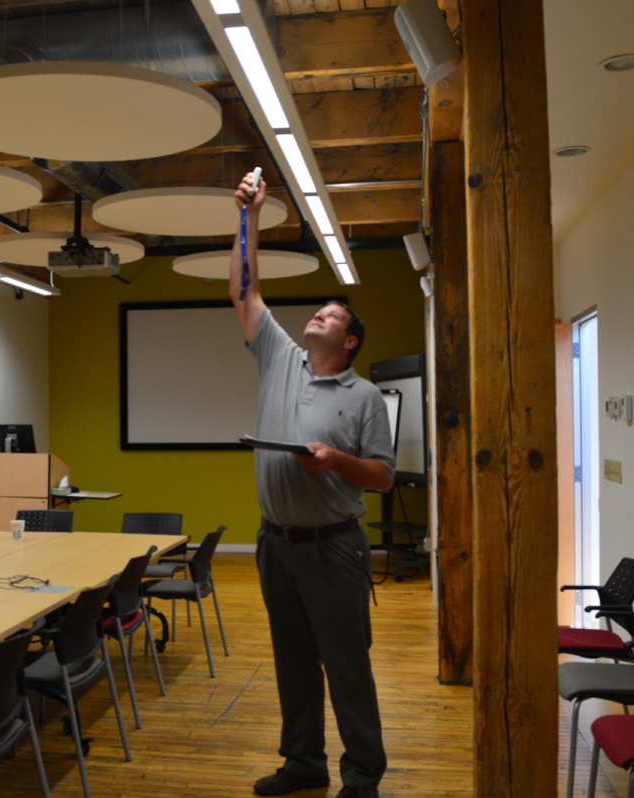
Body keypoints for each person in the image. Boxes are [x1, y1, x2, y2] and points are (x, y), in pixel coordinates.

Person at [229, 172, 395, 798]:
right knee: (294, 666)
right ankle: (303, 765)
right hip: (277, 544)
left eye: (330, 314)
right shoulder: (279, 357)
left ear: (348, 341)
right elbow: (245, 291)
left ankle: (363, 777)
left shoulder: (365, 396)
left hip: (334, 548)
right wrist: (247, 218)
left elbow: (381, 476)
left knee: (346, 668)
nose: (318, 315)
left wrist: (336, 462)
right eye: (317, 310)